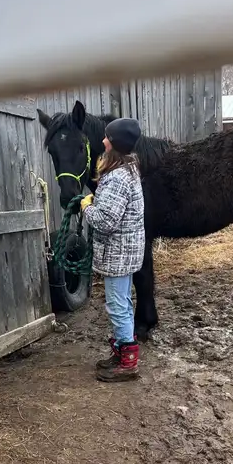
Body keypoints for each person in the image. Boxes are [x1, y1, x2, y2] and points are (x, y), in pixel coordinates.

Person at [81, 117, 145, 381]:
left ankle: (128, 363)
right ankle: (122, 350)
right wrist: (99, 199)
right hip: (126, 252)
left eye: (107, 137)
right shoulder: (128, 170)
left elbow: (106, 221)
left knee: (117, 305)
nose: (103, 141)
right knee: (124, 303)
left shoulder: (117, 177)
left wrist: (87, 207)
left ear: (115, 144)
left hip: (117, 254)